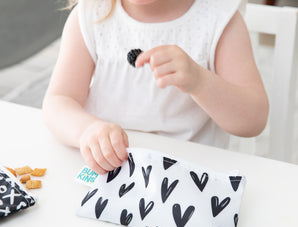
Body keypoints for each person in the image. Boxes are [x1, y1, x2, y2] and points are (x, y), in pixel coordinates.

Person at [43, 0, 269, 175]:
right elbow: (59, 101)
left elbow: (253, 119)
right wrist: (86, 130)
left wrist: (200, 81)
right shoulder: (92, 14)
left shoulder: (218, 20)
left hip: (188, 179)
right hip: (110, 170)